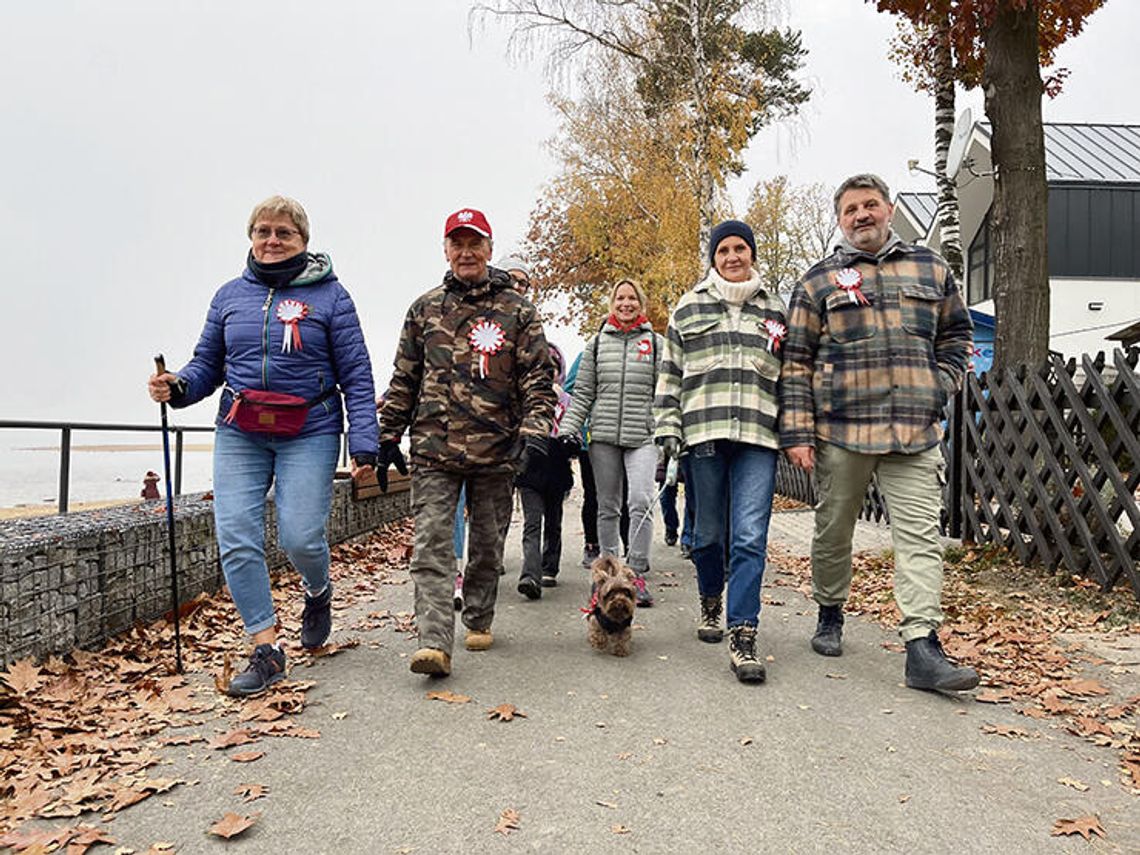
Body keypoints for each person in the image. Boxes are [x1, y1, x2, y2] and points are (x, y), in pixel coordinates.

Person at [147, 195, 377, 697]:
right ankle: (267, 648)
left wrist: (364, 445)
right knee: (237, 536)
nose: (272, 241)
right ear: (251, 238)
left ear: (303, 242)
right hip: (240, 430)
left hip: (310, 430)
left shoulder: (333, 298)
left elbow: (357, 375)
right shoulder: (230, 295)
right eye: (263, 232)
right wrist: (179, 386)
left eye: (283, 233)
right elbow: (207, 364)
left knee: (300, 537)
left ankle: (318, 591)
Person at [780, 173, 978, 693]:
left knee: (919, 537)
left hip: (914, 430)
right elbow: (795, 363)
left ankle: (922, 646)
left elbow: (957, 335)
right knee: (833, 530)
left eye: (870, 205)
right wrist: (798, 433)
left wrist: (940, 385)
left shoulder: (931, 268)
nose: (861, 215)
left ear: (889, 209)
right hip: (843, 431)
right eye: (851, 209)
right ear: (840, 220)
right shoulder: (817, 282)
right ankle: (829, 610)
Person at [378, 208, 555, 677]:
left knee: (486, 546)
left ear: (489, 249)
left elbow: (538, 377)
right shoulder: (424, 308)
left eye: (474, 243)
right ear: (446, 250)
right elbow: (404, 378)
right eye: (457, 243)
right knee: (432, 546)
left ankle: (478, 613)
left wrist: (535, 432)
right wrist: (388, 432)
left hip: (497, 450)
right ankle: (434, 641)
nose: (466, 251)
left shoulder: (517, 310)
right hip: (433, 450)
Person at [655, 220, 786, 684]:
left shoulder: (775, 309)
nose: (733, 257)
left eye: (740, 249)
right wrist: (668, 430)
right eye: (724, 250)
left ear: (752, 253)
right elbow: (670, 376)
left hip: (758, 436)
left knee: (749, 535)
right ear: (713, 258)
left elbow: (788, 378)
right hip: (703, 434)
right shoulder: (689, 308)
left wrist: (793, 432)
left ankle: (743, 631)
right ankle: (711, 598)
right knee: (707, 535)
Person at [557, 280, 661, 607]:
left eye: (632, 298)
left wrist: (670, 431)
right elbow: (583, 392)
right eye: (620, 298)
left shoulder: (657, 344)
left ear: (641, 305)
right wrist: (568, 430)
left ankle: (635, 574)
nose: (626, 303)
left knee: (641, 500)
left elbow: (667, 392)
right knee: (608, 506)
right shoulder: (597, 344)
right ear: (612, 304)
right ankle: (606, 575)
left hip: (643, 436)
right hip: (603, 436)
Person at [515, 344, 574, 597]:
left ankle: (550, 566)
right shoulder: (523, 399)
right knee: (532, 523)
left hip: (557, 465)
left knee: (553, 521)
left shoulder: (567, 400)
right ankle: (530, 574)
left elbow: (574, 428)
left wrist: (573, 440)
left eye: (552, 369)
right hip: (530, 465)